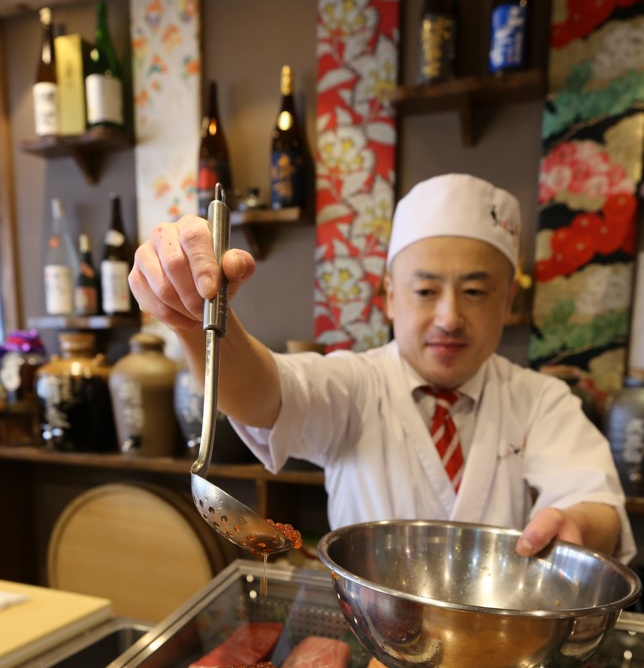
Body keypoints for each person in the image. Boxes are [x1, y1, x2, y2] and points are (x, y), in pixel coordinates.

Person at [129, 173, 635, 562]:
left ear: (509, 301)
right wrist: (196, 320)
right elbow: (266, 397)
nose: (449, 317)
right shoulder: (357, 382)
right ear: (390, 297)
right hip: (370, 644)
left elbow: (595, 502)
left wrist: (577, 527)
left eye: (477, 292)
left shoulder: (541, 400)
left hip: (501, 659)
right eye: (425, 290)